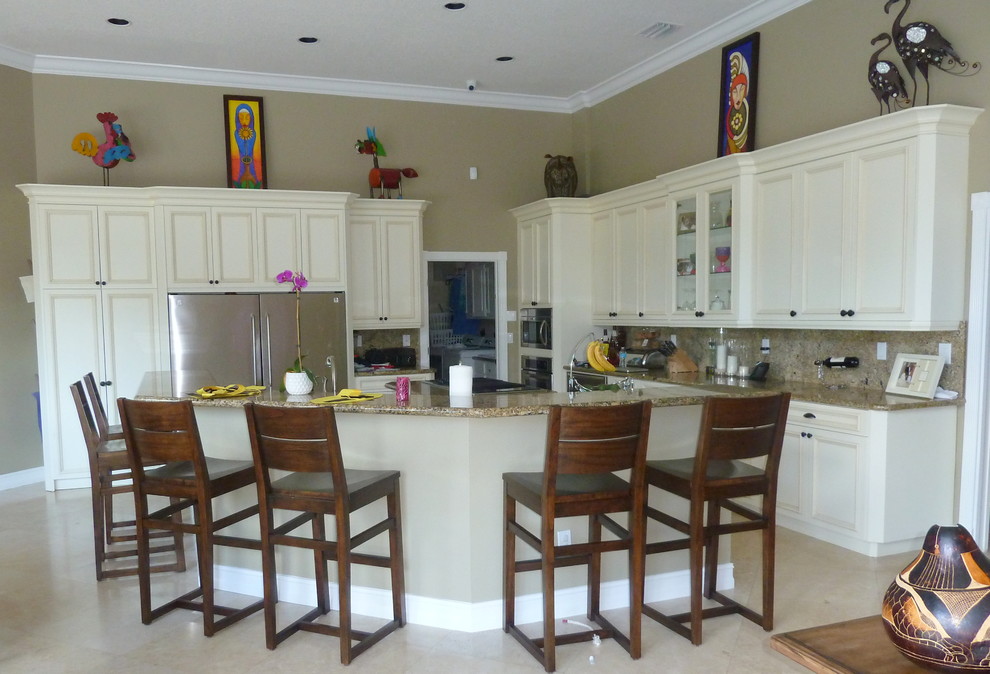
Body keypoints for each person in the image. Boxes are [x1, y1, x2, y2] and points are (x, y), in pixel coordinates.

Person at [233, 103, 260, 187]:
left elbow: (249, 148)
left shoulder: (253, 133)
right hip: (241, 159)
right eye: (241, 118)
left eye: (247, 118)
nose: (244, 121)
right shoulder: (236, 133)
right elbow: (241, 148)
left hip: (250, 160)